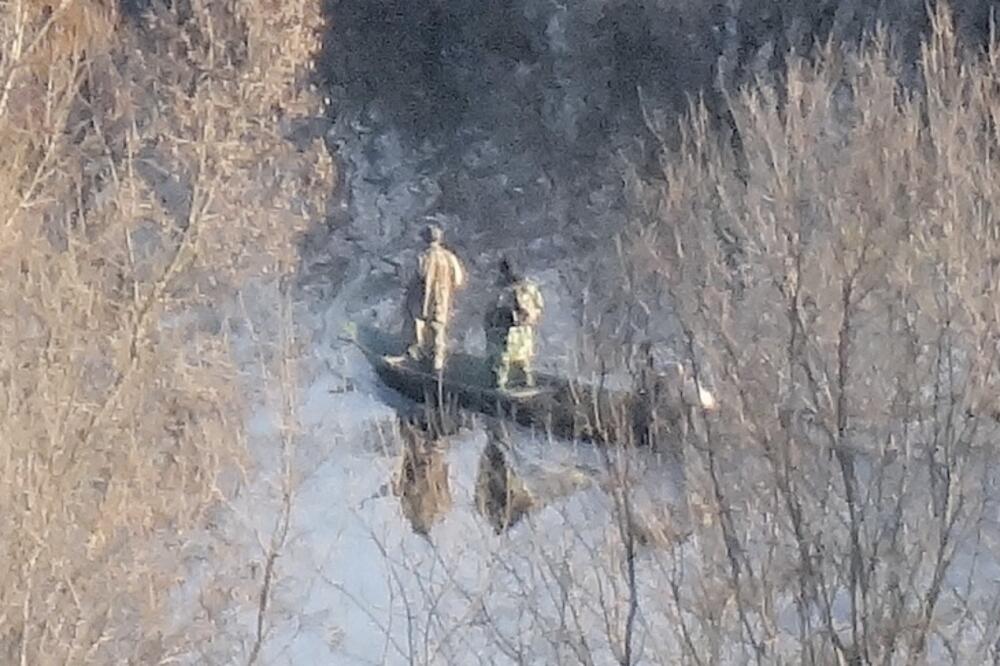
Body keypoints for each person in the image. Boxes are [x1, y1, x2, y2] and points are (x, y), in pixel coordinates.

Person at [403, 224, 466, 371]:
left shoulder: (423, 257)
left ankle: (417, 366)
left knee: (418, 335)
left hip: (422, 302)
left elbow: (414, 278)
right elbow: (458, 281)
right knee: (438, 335)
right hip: (442, 302)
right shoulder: (450, 258)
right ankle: (437, 368)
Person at [485, 257, 544, 391]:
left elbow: (494, 309)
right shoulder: (529, 287)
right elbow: (539, 306)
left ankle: (500, 384)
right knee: (524, 357)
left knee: (502, 358)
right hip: (524, 328)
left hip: (506, 329)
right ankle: (527, 381)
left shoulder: (503, 289)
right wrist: (531, 318)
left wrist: (489, 326)